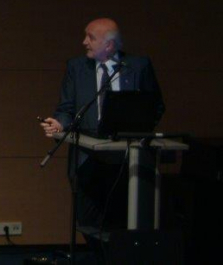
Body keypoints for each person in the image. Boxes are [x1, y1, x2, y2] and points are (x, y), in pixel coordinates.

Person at [40, 18, 165, 236]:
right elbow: (66, 108)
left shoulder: (138, 66)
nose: (84, 42)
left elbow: (155, 106)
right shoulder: (76, 67)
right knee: (88, 222)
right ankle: (98, 252)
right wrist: (60, 123)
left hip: (127, 157)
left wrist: (138, 128)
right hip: (87, 156)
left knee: (123, 220)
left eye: (91, 37)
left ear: (109, 45)